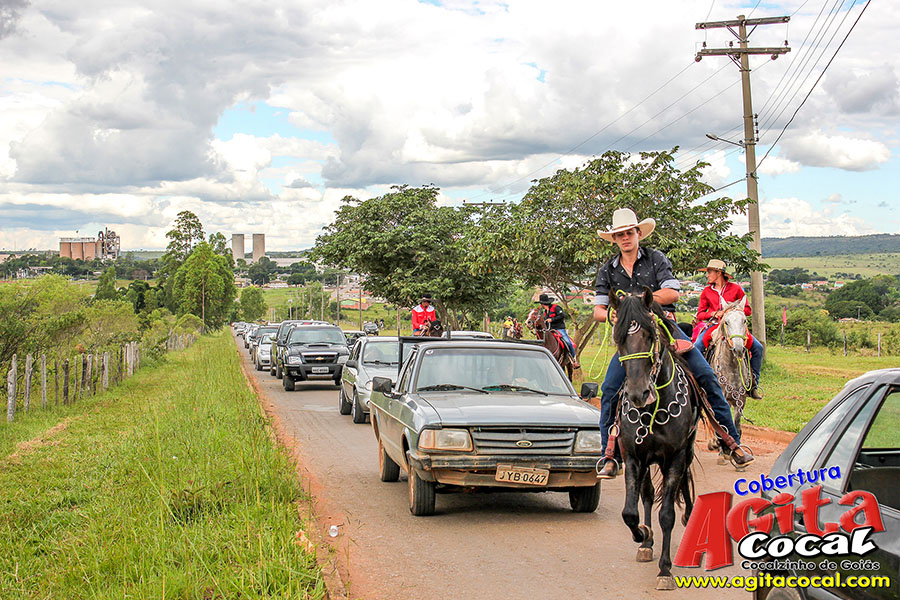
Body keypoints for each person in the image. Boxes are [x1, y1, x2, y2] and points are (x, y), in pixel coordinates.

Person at [592, 208, 753, 479]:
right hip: (632, 338)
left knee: (706, 377)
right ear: (615, 239)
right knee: (609, 389)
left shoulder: (656, 259)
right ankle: (610, 455)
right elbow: (598, 310)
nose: (625, 238)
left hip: (665, 326)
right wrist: (612, 313)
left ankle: (731, 441)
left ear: (638, 233)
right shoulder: (608, 269)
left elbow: (671, 293)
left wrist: (636, 303)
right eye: (619, 235)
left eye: (629, 232)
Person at [694, 259, 764, 399]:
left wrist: (734, 310)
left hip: (735, 326)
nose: (707, 275)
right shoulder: (707, 292)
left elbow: (748, 310)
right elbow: (700, 314)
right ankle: (699, 383)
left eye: (710, 272)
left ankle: (753, 383)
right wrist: (714, 313)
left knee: (758, 348)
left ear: (719, 273)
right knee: (697, 346)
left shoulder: (736, 289)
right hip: (715, 325)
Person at [537, 294, 580, 369]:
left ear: (543, 303)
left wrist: (552, 319)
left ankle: (574, 360)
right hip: (550, 330)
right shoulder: (545, 312)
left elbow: (562, 315)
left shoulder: (556, 307)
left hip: (559, 329)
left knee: (568, 342)